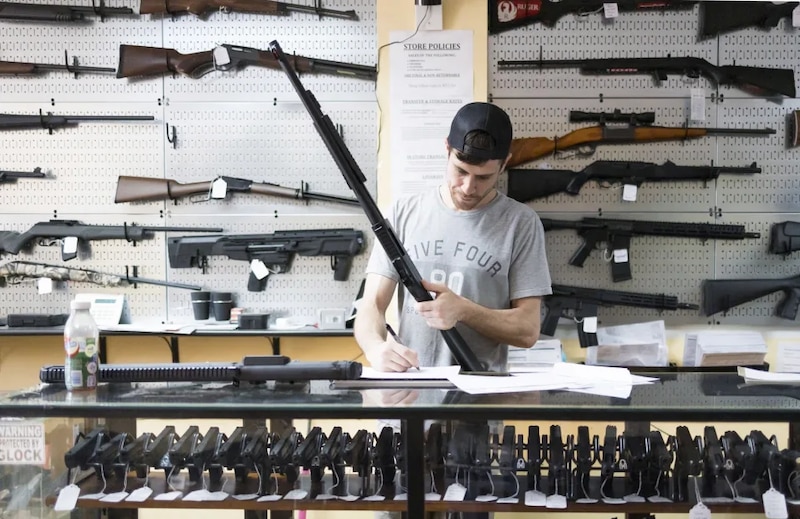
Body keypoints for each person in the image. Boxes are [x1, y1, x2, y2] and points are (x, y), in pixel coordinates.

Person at [355, 101, 552, 374]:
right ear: (447, 149)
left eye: (484, 177)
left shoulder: (521, 224)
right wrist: (375, 349)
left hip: (480, 402)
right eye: (460, 171)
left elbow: (527, 330)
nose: (469, 187)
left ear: (505, 163)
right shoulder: (403, 213)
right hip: (409, 392)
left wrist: (465, 311)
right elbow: (372, 305)